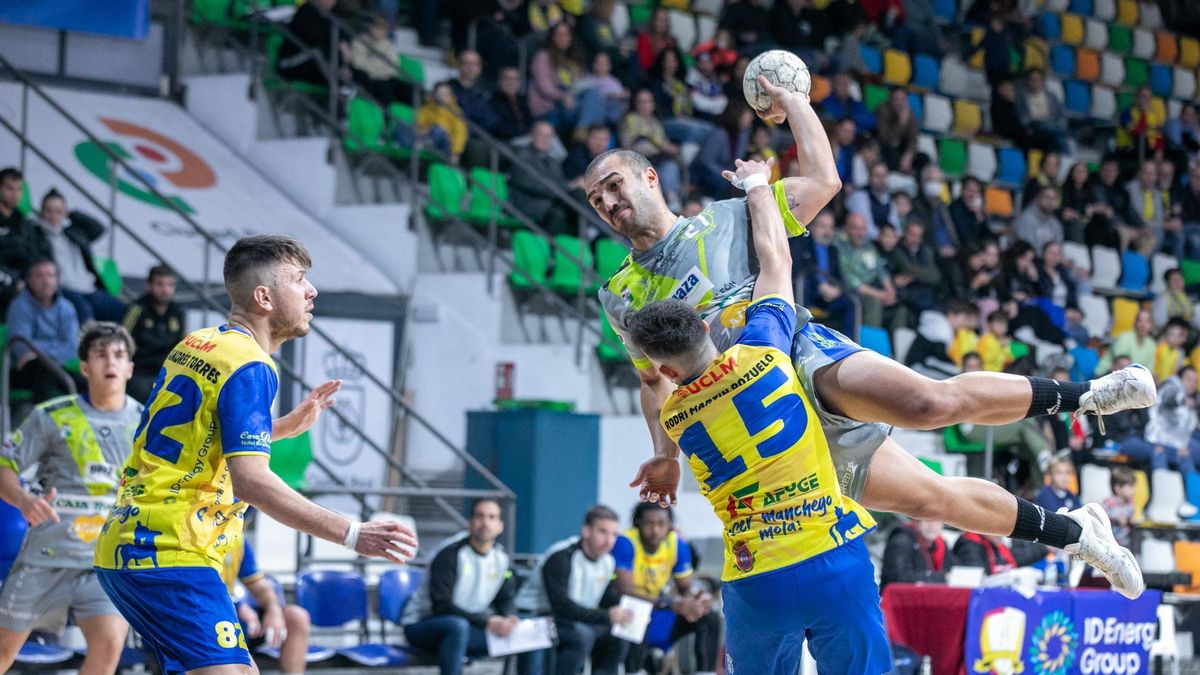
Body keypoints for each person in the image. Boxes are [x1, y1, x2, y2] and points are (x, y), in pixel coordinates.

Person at [587, 75, 1148, 600]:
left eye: (615, 185)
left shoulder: (728, 216)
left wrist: (796, 103)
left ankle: (1091, 395)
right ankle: (1078, 533)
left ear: (649, 177)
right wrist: (663, 454)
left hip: (799, 354)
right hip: (759, 418)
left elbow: (825, 181)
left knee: (929, 402)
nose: (610, 203)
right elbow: (651, 381)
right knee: (933, 499)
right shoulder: (619, 295)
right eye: (597, 200)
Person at [93, 235, 418, 674]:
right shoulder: (252, 365)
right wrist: (353, 534)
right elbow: (252, 483)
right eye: (299, 280)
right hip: (171, 551)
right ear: (263, 297)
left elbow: (190, 436)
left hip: (132, 542)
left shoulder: (200, 343)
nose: (312, 291)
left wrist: (278, 429)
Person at [624, 154, 891, 673]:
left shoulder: (677, 414)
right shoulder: (764, 353)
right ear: (705, 329)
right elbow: (776, 262)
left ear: (668, 374)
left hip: (754, 574)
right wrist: (756, 187)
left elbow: (656, 397)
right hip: (828, 552)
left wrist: (663, 456)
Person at [0, 323, 142, 675]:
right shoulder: (51, 416)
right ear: (84, 367)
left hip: (104, 563)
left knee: (109, 648)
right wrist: (23, 500)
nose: (110, 361)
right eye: (100, 355)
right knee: (3, 653)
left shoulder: (147, 423)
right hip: (46, 558)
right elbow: (5, 464)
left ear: (129, 368)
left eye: (119, 355)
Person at [403, 499, 517, 675]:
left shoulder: (501, 559)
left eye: (492, 517)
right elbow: (442, 606)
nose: (485, 523)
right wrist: (487, 621)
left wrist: (510, 618)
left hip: (469, 626)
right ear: (470, 523)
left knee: (530, 631)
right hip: (423, 625)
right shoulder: (449, 554)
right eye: (480, 516)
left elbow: (505, 597)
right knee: (457, 626)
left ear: (500, 526)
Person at [516, 505, 631, 675]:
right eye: (603, 532)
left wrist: (627, 612)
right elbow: (561, 606)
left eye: (614, 534)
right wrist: (606, 616)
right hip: (536, 616)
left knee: (618, 635)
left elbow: (606, 598)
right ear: (586, 531)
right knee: (582, 636)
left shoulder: (607, 562)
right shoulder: (561, 556)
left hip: (572, 618)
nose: (609, 541)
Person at [613, 504, 719, 675]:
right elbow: (624, 593)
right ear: (639, 523)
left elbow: (686, 588)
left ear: (670, 525)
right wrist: (672, 603)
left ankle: (705, 672)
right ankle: (634, 671)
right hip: (628, 616)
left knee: (709, 616)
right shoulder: (626, 542)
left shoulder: (676, 544)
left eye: (661, 524)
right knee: (637, 610)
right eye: (649, 524)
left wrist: (698, 598)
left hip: (661, 615)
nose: (655, 530)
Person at [223, 537, 313, 675]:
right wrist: (238, 604)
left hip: (241, 621)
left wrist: (274, 609)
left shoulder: (237, 539)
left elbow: (259, 586)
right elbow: (195, 584)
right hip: (211, 616)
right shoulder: (194, 536)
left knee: (296, 616)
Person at [34, 190, 124, 324]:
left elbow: (98, 228)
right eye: (49, 210)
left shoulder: (74, 232)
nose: (53, 215)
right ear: (41, 212)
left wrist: (72, 214)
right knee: (85, 313)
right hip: (62, 289)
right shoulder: (35, 235)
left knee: (123, 310)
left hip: (89, 288)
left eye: (58, 211)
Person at [7, 259, 83, 403]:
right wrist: (54, 349)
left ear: (57, 280)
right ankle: (42, 424)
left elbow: (72, 347)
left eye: (50, 275)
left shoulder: (66, 307)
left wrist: (38, 351)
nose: (46, 281)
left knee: (89, 383)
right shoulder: (19, 306)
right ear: (29, 280)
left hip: (57, 367)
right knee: (45, 371)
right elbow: (21, 346)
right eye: (40, 276)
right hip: (21, 371)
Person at [122, 264, 185, 402]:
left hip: (167, 371)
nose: (165, 290)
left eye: (170, 285)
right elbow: (122, 340)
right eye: (159, 284)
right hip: (139, 372)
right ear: (148, 286)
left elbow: (182, 345)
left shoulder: (178, 311)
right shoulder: (137, 309)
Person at [791, 209, 855, 336]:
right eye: (823, 226)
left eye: (830, 227)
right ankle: (800, 337)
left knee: (851, 302)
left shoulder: (833, 250)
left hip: (828, 296)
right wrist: (820, 287)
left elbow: (839, 276)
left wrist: (837, 289)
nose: (827, 232)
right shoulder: (802, 244)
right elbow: (801, 270)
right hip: (810, 291)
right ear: (813, 227)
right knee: (803, 285)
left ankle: (850, 346)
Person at [836, 211, 897, 329]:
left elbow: (881, 271)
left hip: (874, 289)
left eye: (863, 229)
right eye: (856, 228)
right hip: (850, 291)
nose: (860, 233)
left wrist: (890, 292)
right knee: (873, 302)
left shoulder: (868, 247)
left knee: (900, 309)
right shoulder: (839, 247)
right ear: (846, 228)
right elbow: (850, 280)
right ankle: (868, 345)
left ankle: (892, 346)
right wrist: (880, 295)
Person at [511, 121, 572, 236]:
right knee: (559, 214)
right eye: (541, 135)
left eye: (548, 136)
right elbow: (536, 186)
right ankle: (549, 251)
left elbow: (560, 183)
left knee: (575, 210)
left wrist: (569, 187)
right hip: (527, 203)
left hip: (548, 203)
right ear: (532, 136)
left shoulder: (553, 162)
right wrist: (569, 186)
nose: (545, 139)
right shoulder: (522, 157)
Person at [0, 168, 47, 313]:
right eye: (10, 188)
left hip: (23, 280)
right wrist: (14, 281)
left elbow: (34, 256)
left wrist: (27, 280)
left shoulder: (26, 224)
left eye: (19, 189)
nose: (15, 194)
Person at [880, 518, 955, 590]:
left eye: (937, 520)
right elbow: (898, 578)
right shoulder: (902, 541)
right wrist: (941, 577)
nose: (932, 524)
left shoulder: (940, 544)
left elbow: (955, 569)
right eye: (927, 519)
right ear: (916, 520)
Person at [1097, 308, 1158, 375]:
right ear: (1134, 323)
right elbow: (1121, 364)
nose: (1143, 325)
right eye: (1140, 321)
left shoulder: (1151, 345)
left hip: (1131, 379)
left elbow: (1148, 371)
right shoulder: (1124, 337)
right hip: (1104, 375)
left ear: (1151, 325)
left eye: (1147, 321)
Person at [1014, 184, 1066, 250]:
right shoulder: (1025, 219)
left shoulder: (1055, 223)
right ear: (1037, 199)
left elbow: (1059, 249)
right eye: (1047, 198)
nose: (1051, 202)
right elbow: (1027, 249)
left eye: (1054, 199)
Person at [490, 67, 534, 142]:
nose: (511, 82)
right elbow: (499, 128)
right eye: (507, 79)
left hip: (528, 137)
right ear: (500, 81)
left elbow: (531, 121)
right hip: (508, 141)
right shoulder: (493, 102)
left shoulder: (522, 99)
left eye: (515, 79)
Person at [1101, 467, 1136, 548]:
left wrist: (1131, 521)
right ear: (1118, 488)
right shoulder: (1108, 503)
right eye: (1130, 487)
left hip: (1124, 544)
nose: (1134, 490)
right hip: (1108, 544)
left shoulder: (1129, 503)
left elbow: (1130, 516)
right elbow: (1101, 517)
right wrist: (1116, 518)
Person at [1153, 318, 1190, 386]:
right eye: (1172, 335)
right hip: (1155, 379)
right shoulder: (1160, 347)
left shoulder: (1181, 353)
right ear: (1165, 335)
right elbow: (1155, 363)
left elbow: (1177, 371)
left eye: (1178, 336)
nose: (1175, 339)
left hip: (1169, 383)